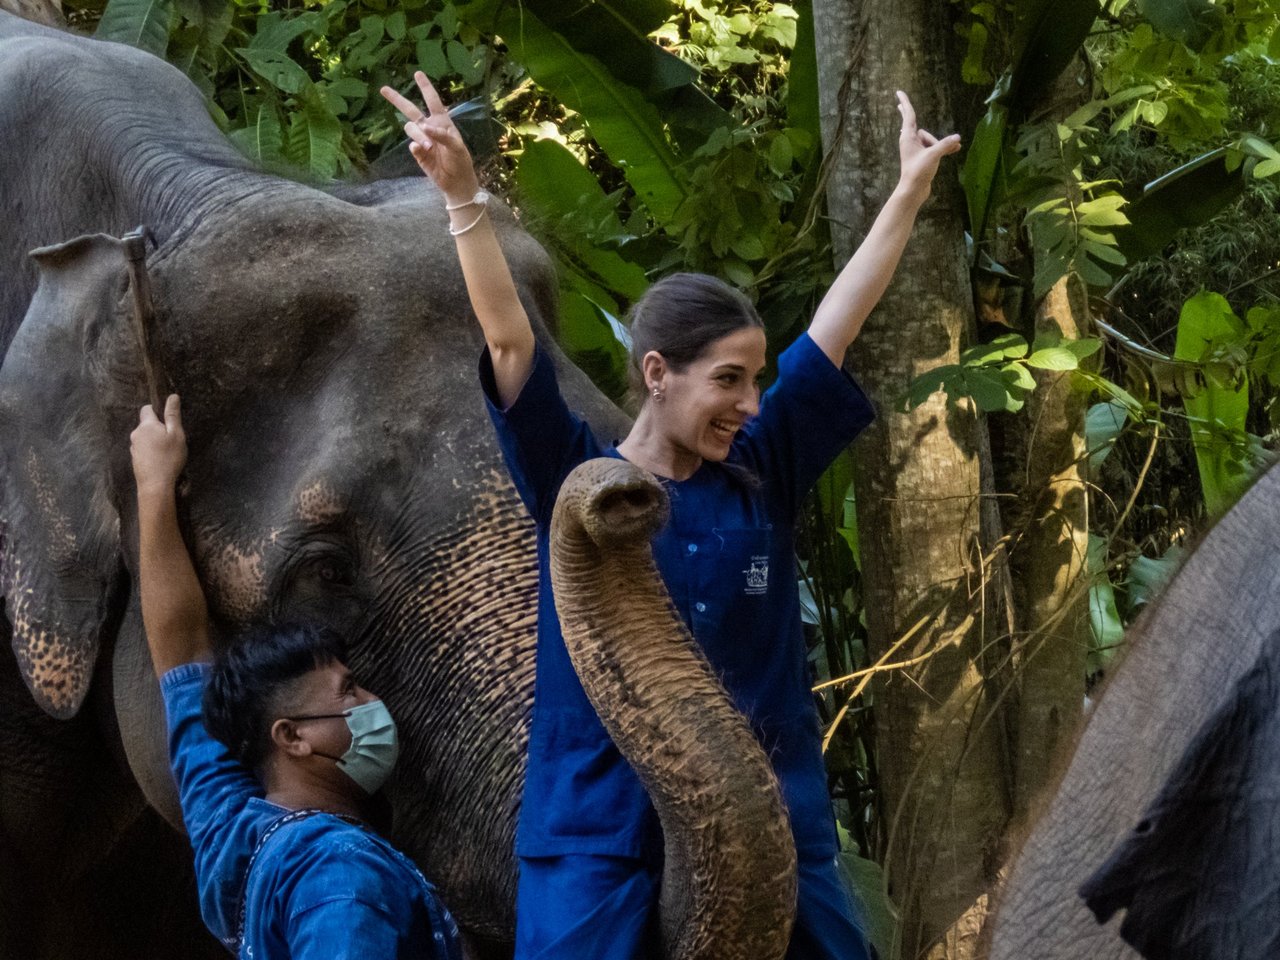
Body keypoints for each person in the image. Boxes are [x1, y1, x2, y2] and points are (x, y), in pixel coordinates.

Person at [381, 71, 960, 959]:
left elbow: (839, 324)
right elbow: (508, 340)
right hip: (599, 828)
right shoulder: (579, 484)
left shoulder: (761, 469)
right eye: (728, 381)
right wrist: (464, 198)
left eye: (757, 380)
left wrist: (907, 193)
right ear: (658, 373)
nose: (751, 404)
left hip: (768, 816)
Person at [130, 394, 462, 960]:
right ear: (291, 736)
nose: (371, 702)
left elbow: (181, 654)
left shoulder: (235, 836)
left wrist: (155, 488)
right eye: (348, 691)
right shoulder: (343, 876)